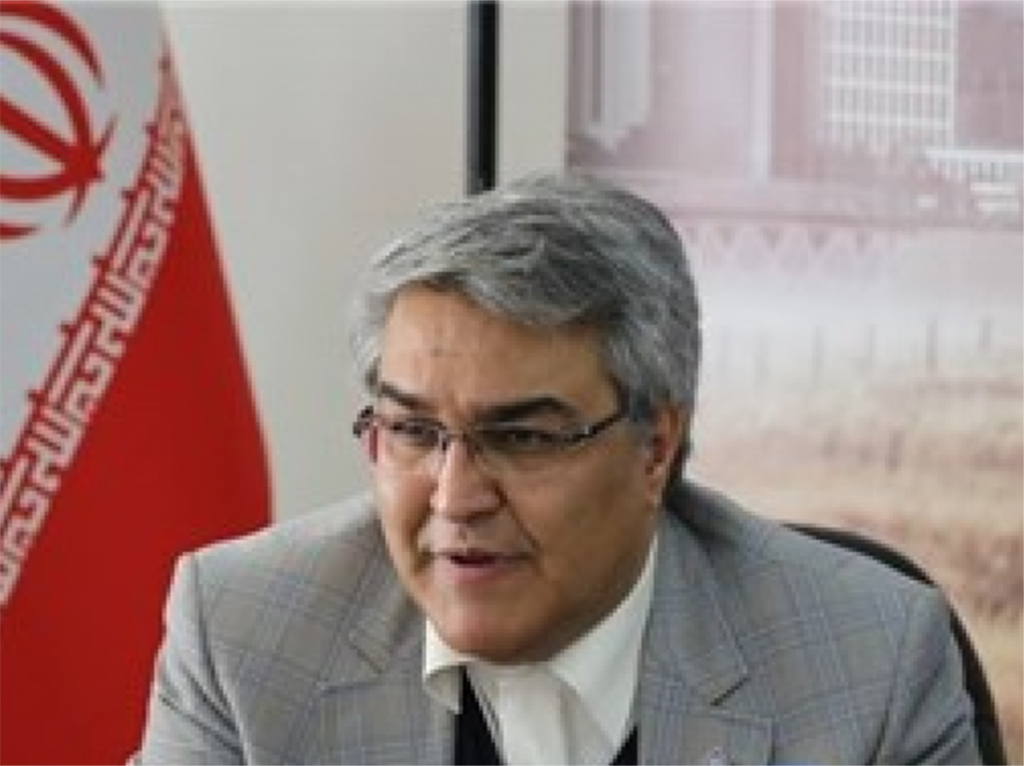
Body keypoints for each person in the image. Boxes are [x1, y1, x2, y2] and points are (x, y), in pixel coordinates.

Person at [133, 172, 981, 764]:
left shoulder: (869, 664)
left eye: (523, 438)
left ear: (655, 447)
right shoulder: (247, 634)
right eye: (415, 431)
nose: (456, 497)